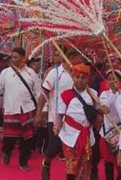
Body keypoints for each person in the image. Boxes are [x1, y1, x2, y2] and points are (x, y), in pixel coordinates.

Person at [0, 47, 41, 171]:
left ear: (23, 58)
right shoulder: (6, 72)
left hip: (28, 109)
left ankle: (23, 161)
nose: (12, 59)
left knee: (28, 139)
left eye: (15, 57)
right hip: (11, 109)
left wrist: (41, 111)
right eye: (11, 57)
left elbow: (39, 92)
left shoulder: (31, 73)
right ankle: (6, 152)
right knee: (10, 138)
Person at [35, 48, 82, 179]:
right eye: (77, 57)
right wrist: (39, 113)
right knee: (55, 146)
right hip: (55, 117)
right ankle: (46, 163)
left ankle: (72, 175)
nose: (79, 60)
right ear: (70, 58)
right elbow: (44, 94)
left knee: (72, 149)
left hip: (75, 118)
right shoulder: (55, 73)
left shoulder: (79, 73)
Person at [55, 63, 101, 180]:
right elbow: (60, 113)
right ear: (73, 77)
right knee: (71, 164)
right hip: (69, 134)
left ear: (88, 79)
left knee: (85, 164)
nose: (80, 80)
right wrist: (58, 125)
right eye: (77, 77)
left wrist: (102, 113)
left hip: (87, 135)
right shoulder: (66, 94)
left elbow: (98, 111)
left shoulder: (93, 94)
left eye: (83, 78)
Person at [99, 70, 121, 180]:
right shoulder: (104, 94)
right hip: (107, 133)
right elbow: (105, 108)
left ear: (120, 80)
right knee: (108, 161)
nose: (112, 81)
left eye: (114, 79)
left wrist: (118, 92)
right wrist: (114, 92)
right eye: (109, 79)